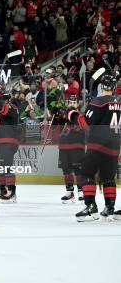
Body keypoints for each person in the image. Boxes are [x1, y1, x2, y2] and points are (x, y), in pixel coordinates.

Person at [67, 74, 121, 221]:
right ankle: (109, 208)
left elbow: (85, 124)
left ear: (101, 86)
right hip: (115, 144)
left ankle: (91, 207)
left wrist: (72, 114)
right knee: (108, 177)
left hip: (98, 143)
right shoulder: (119, 102)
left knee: (87, 174)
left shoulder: (99, 101)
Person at [0, 92, 20, 202]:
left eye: (2, 99)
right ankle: (3, 190)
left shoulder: (12, 107)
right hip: (2, 141)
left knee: (6, 166)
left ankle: (12, 192)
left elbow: (3, 110)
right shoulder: (1, 109)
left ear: (7, 100)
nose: (0, 101)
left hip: (9, 141)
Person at [58, 95, 84, 203]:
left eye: (74, 102)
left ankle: (81, 192)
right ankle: (69, 192)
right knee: (66, 170)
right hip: (64, 146)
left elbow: (82, 129)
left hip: (76, 146)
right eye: (70, 102)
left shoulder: (80, 116)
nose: (72, 104)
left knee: (78, 170)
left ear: (78, 104)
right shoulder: (64, 114)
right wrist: (56, 116)